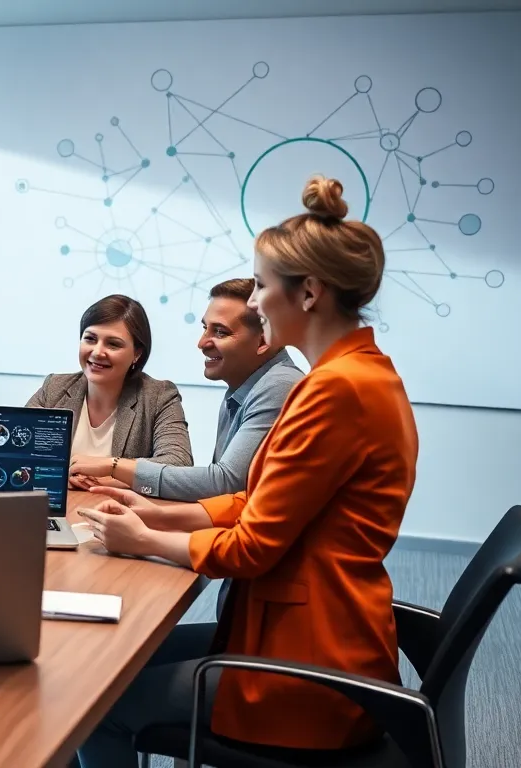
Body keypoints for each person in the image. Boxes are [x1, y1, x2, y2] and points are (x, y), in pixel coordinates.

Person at [75, 176, 418, 764]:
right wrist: (155, 510)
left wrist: (147, 537)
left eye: (261, 287)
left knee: (90, 698)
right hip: (310, 636)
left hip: (304, 669)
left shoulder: (333, 391)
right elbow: (260, 499)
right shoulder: (359, 374)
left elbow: (254, 546)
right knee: (112, 658)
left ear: (308, 292)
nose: (255, 303)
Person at [67, 279, 302, 500]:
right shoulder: (240, 389)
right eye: (205, 328)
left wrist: (113, 466)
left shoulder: (279, 386)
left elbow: (225, 483)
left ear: (263, 342)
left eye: (220, 332)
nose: (202, 343)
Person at [26, 294, 192, 487]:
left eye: (113, 344)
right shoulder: (55, 387)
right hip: (62, 511)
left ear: (137, 354)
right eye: (90, 339)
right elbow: (16, 452)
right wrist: (61, 476)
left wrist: (110, 468)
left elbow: (179, 466)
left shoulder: (159, 396)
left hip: (123, 512)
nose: (97, 352)